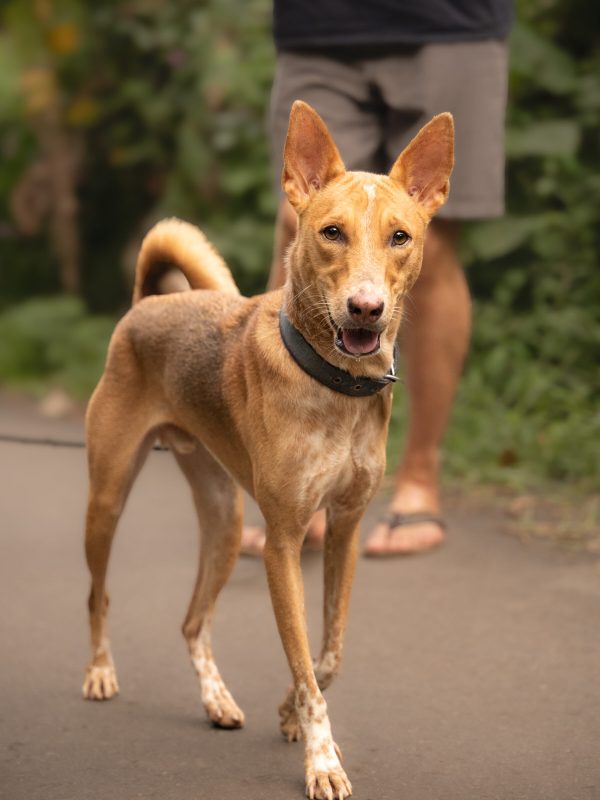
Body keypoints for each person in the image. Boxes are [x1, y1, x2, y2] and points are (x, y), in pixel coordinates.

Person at [242, 0, 512, 556]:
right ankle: (294, 481)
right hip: (317, 25)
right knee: (303, 232)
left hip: (451, 21)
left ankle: (419, 478)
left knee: (426, 250)